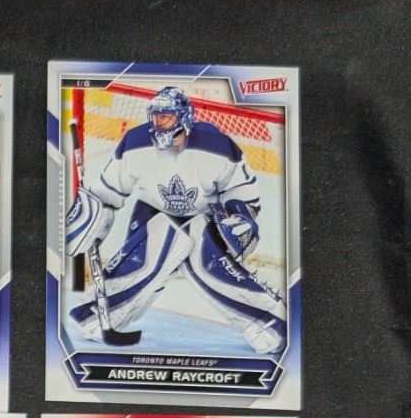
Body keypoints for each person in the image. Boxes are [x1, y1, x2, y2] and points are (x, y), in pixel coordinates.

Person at [64, 86, 284, 351]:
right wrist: (92, 218)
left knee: (207, 264)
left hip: (205, 215)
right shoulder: (135, 143)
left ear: (184, 117)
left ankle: (267, 320)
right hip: (153, 211)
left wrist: (239, 216)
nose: (158, 123)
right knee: (144, 262)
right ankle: (100, 315)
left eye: (165, 117)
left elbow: (240, 189)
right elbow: (108, 191)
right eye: (155, 117)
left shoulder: (217, 147)